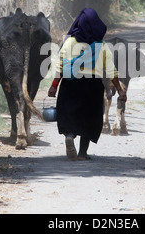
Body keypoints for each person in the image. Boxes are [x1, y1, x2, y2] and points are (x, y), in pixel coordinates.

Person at [48, 8, 126, 161]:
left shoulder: (69, 42)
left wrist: (54, 86)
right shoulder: (101, 45)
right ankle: (83, 153)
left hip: (70, 83)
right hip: (93, 86)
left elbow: (60, 66)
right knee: (89, 118)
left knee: (68, 113)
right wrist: (120, 91)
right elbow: (111, 71)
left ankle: (69, 135)